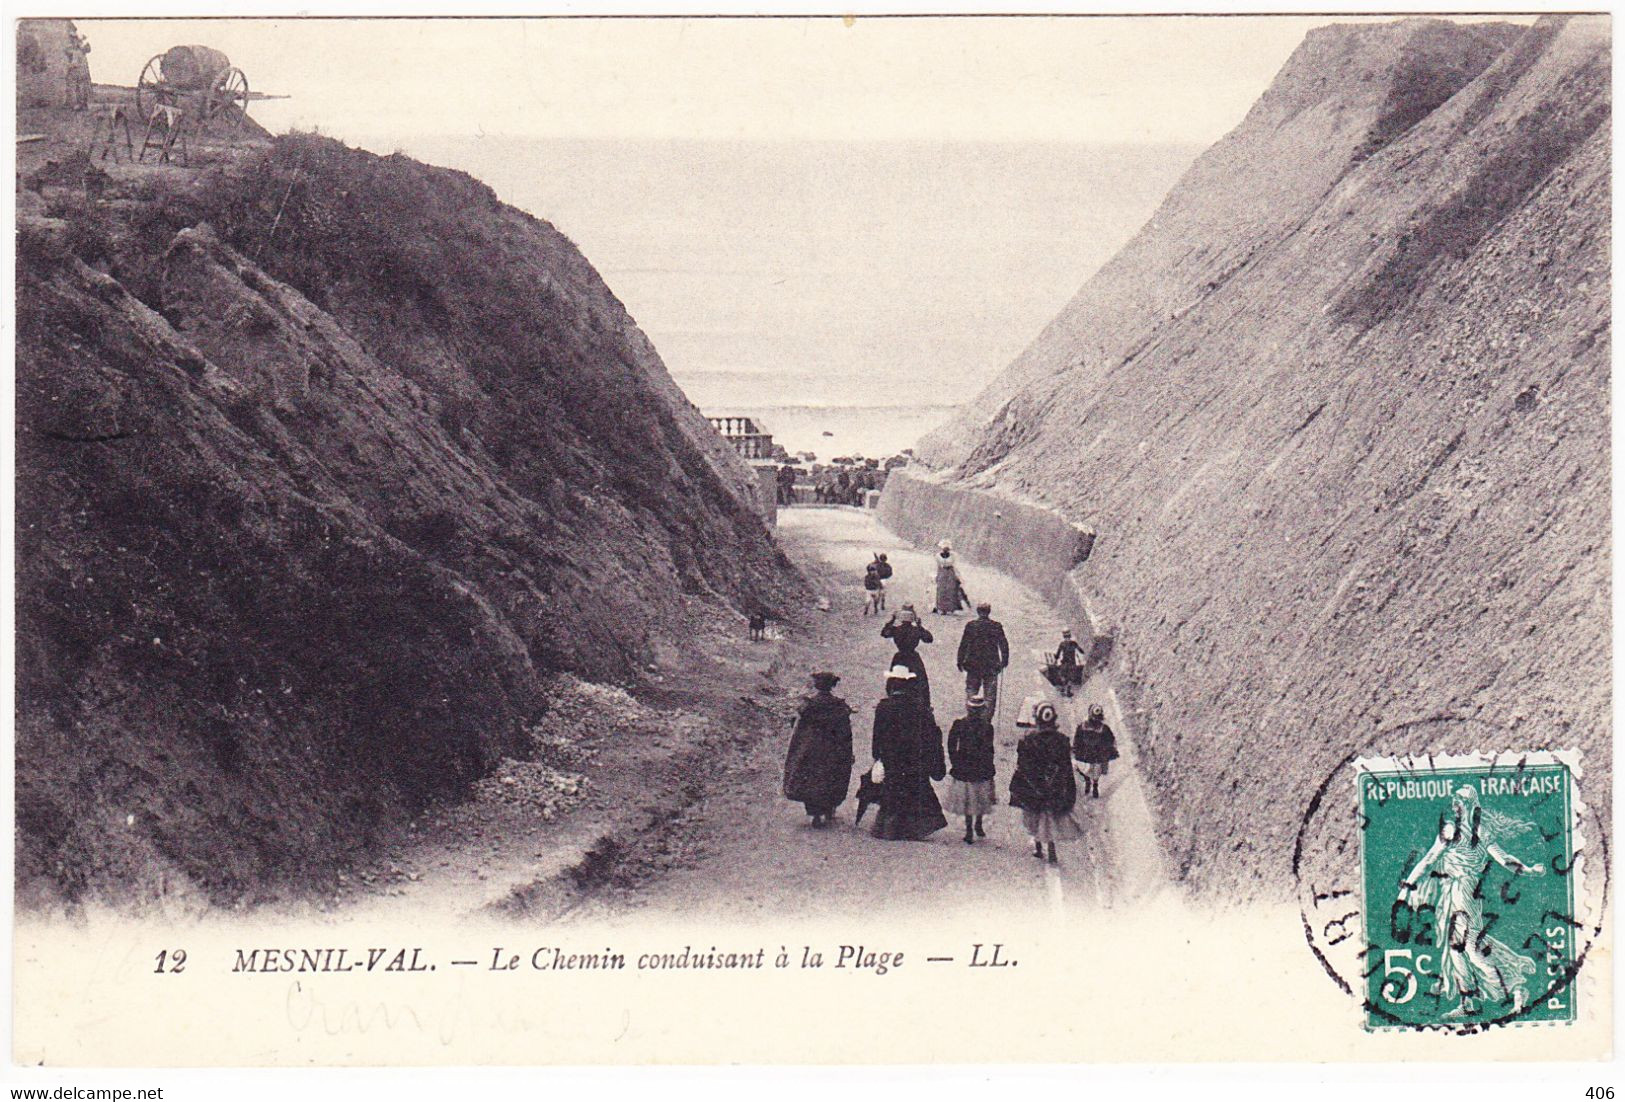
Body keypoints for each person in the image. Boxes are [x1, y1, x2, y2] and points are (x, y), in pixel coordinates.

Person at [1397, 785, 1546, 1019]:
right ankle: (1470, 1001)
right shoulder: (1463, 830)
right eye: (1454, 800)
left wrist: (1528, 870)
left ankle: (1515, 990)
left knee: (1471, 950)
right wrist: (1408, 886)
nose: (1454, 804)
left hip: (1464, 892)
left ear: (1468, 805)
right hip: (1458, 892)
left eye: (1459, 801)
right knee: (1459, 949)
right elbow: (1428, 861)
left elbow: (1504, 859)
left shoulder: (1470, 831)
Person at [870, 665, 948, 841]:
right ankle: (913, 830)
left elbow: (877, 735)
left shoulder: (884, 707)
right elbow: (931, 735)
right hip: (914, 758)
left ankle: (889, 829)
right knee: (915, 791)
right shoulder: (919, 707)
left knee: (892, 792)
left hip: (892, 757)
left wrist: (877, 755)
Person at [1008, 703, 1082, 864]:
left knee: (1035, 817)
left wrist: (1019, 786)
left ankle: (1039, 847)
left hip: (1034, 786)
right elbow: (1066, 767)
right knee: (1050, 817)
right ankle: (1052, 849)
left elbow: (1023, 766)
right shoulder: (1062, 741)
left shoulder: (1028, 740)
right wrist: (1068, 789)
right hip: (1055, 785)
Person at [781, 672, 856, 827]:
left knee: (812, 778)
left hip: (811, 749)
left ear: (816, 685)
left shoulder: (809, 706)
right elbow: (845, 732)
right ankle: (828, 810)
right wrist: (847, 752)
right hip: (832, 749)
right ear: (832, 686)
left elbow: (798, 729)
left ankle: (814, 813)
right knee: (830, 777)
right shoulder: (839, 706)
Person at [945, 691, 997, 844]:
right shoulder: (986, 727)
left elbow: (951, 744)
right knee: (978, 798)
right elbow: (989, 749)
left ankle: (973, 828)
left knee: (971, 800)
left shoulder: (963, 724)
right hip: (975, 767)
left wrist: (955, 760)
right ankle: (974, 827)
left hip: (968, 767)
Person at [957, 602, 1009, 717]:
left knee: (971, 690)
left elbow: (964, 644)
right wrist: (1004, 660)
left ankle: (972, 714)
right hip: (991, 666)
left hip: (973, 665)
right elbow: (1003, 644)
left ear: (978, 611)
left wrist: (960, 661)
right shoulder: (996, 626)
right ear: (989, 611)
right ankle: (986, 720)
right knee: (990, 696)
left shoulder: (971, 626)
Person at [881, 605, 934, 707]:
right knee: (921, 681)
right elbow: (929, 639)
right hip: (913, 658)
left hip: (899, 657)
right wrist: (920, 626)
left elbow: (884, 633)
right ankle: (924, 705)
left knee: (894, 679)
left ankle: (893, 700)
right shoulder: (916, 630)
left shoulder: (896, 630)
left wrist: (891, 621)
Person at [1071, 703, 1119, 798]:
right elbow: (1110, 740)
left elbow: (1077, 739)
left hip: (1088, 754)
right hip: (1093, 754)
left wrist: (1076, 749)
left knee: (1085, 769)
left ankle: (1091, 783)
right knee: (1092, 771)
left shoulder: (1084, 727)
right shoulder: (1102, 728)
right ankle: (1092, 783)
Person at [1044, 629, 1087, 697]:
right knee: (1070, 678)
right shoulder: (1074, 643)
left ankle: (1063, 689)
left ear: (1064, 636)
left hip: (1065, 663)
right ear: (1070, 636)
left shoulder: (1062, 644)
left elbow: (1058, 654)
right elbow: (1081, 651)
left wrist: (1055, 658)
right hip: (1072, 663)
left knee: (1064, 676)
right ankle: (1068, 691)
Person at [933, 541, 966, 615]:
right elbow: (937, 566)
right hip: (941, 573)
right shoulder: (938, 556)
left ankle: (951, 608)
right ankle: (941, 608)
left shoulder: (953, 555)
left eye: (947, 548)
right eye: (944, 548)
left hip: (950, 573)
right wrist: (936, 576)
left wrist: (958, 576)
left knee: (950, 591)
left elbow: (955, 565)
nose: (946, 549)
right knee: (941, 591)